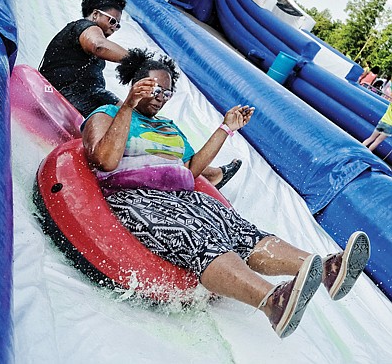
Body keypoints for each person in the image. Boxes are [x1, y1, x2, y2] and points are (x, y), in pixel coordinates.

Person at [82, 49, 371, 338]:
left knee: (239, 230)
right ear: (136, 83)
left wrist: (226, 128)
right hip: (136, 197)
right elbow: (105, 160)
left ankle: (327, 269)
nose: (160, 97)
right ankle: (273, 302)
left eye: (167, 93)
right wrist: (129, 105)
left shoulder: (168, 127)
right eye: (155, 89)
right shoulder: (107, 114)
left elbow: (192, 168)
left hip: (181, 196)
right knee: (194, 233)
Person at [39, 0, 240, 188]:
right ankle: (205, 172)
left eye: (118, 24)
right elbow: (98, 45)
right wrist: (139, 61)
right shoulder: (83, 27)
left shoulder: (91, 45)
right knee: (128, 116)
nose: (114, 28)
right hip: (64, 93)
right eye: (112, 21)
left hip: (89, 95)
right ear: (95, 14)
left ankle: (201, 169)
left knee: (137, 117)